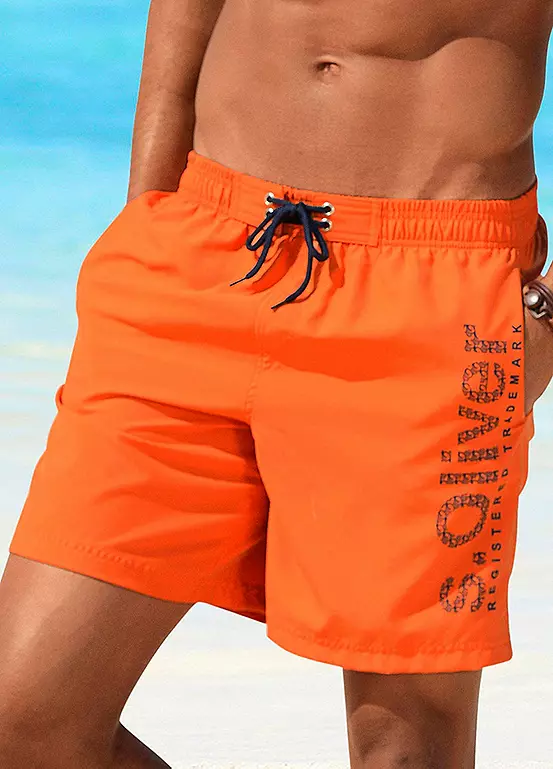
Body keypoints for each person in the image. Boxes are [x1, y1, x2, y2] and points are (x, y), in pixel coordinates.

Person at [2, 0, 553, 767]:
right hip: (198, 248)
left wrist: (544, 317)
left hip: (429, 282)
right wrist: (146, 220)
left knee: (402, 746)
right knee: (22, 718)